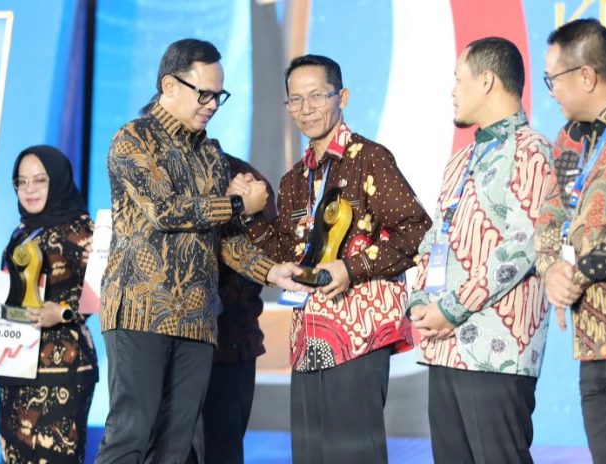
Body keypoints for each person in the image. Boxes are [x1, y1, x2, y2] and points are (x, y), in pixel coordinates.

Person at [95, 38, 311, 464]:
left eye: (219, 96)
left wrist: (271, 271)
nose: (212, 105)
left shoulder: (211, 154)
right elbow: (164, 210)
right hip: (141, 311)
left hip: (198, 319)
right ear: (169, 85)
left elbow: (224, 240)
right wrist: (237, 203)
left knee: (176, 445)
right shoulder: (133, 139)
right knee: (132, 433)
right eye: (204, 94)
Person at [241, 54, 431, 464]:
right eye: (295, 99)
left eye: (316, 96)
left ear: (341, 97)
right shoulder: (293, 180)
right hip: (307, 341)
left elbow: (418, 231)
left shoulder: (370, 159)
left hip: (358, 339)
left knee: (354, 456)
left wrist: (351, 267)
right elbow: (286, 259)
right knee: (310, 456)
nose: (306, 108)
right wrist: (254, 217)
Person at [407, 38, 555, 464]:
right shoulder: (461, 159)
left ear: (487, 81)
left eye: (459, 79)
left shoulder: (532, 150)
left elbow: (523, 246)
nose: (453, 90)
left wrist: (451, 308)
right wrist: (420, 299)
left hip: (496, 351)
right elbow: (435, 238)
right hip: (443, 347)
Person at [535, 18, 606, 464]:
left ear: (586, 75)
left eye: (553, 79)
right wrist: (551, 267)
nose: (551, 91)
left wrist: (579, 272)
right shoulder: (570, 138)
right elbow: (549, 213)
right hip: (593, 347)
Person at [0, 145, 98, 463]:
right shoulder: (21, 231)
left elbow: (103, 294)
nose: (30, 189)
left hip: (63, 368)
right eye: (22, 182)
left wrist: (62, 312)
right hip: (16, 364)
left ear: (57, 180)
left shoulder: (83, 231)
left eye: (39, 180)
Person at [194, 152, 277, 464]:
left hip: (229, 344)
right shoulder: (159, 175)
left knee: (221, 451)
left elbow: (264, 252)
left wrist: (219, 299)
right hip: (169, 345)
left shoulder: (243, 177)